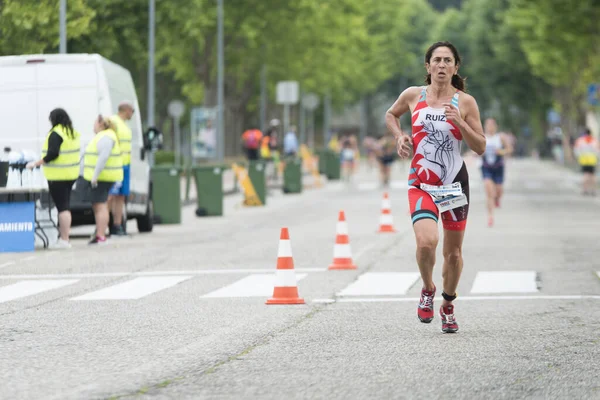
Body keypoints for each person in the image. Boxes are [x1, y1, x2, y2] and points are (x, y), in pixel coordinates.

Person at [385, 41, 486, 333]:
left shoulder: (465, 102)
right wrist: (399, 136)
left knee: (453, 255)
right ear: (428, 67)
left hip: (454, 184)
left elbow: (480, 146)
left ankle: (448, 304)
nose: (442, 65)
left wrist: (461, 124)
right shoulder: (413, 95)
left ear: (456, 68)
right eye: (437, 60)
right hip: (421, 182)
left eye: (448, 61)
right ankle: (428, 288)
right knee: (426, 242)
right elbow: (391, 115)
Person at [26, 108, 81, 249]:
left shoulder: (56, 133)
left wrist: (36, 163)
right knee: (65, 207)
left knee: (62, 208)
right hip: (71, 174)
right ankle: (65, 238)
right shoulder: (72, 133)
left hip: (58, 177)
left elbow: (53, 154)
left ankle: (64, 239)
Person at [82, 116, 124, 245]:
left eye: (94, 123)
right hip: (103, 176)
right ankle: (100, 234)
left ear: (101, 124)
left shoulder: (105, 137)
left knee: (100, 206)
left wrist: (95, 176)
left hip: (102, 177)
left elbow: (103, 157)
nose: (93, 126)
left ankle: (101, 235)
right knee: (99, 205)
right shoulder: (106, 136)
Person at [107, 101, 134, 236]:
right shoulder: (113, 122)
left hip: (125, 165)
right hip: (115, 164)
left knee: (121, 196)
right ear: (126, 110)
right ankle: (105, 225)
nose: (132, 114)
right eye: (132, 111)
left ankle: (118, 226)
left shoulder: (124, 124)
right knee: (110, 196)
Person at [481, 118, 513, 227]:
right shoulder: (482, 137)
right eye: (487, 125)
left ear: (495, 126)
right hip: (486, 168)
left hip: (498, 167)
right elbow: (476, 150)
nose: (489, 127)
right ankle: (490, 217)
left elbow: (510, 149)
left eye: (491, 125)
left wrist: (501, 151)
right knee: (489, 192)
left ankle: (498, 198)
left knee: (498, 191)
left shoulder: (501, 137)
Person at [573, 128, 599, 196]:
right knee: (592, 176)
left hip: (584, 159)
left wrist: (578, 157)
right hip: (592, 159)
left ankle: (585, 189)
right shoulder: (594, 140)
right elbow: (597, 151)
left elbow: (576, 150)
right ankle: (593, 190)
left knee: (585, 175)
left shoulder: (580, 140)